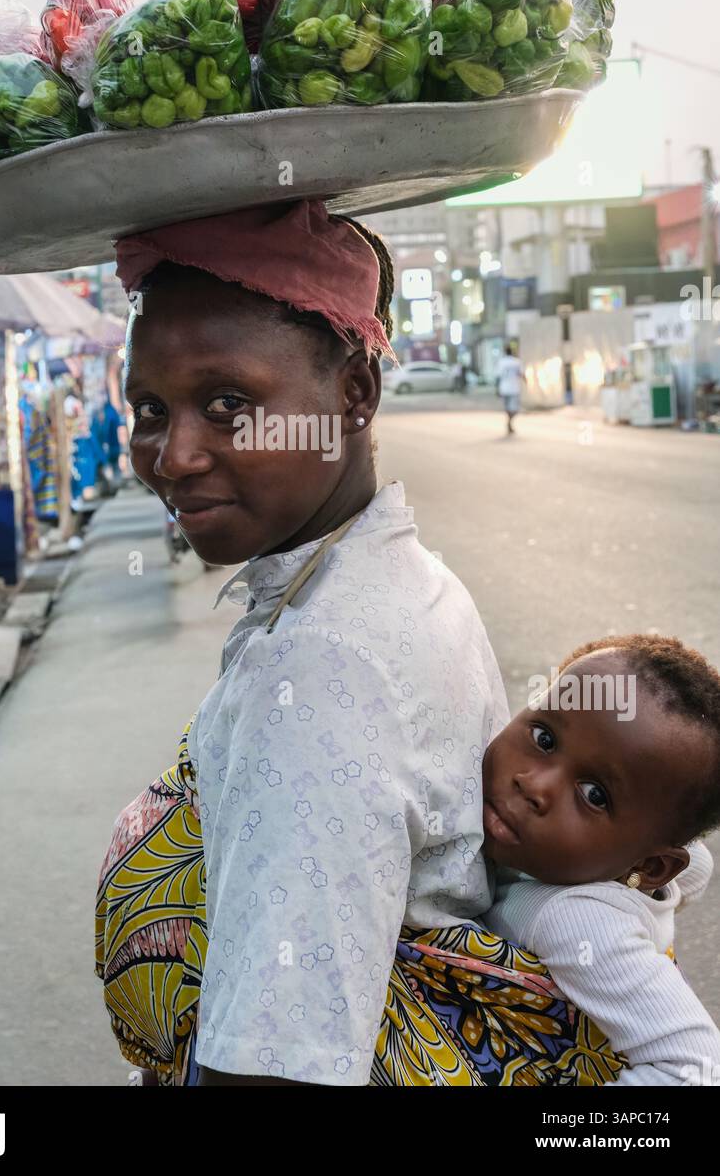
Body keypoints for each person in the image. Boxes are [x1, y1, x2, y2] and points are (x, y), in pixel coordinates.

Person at [95, 201, 625, 1088]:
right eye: (149, 408)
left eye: (230, 404)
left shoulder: (325, 666)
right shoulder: (386, 580)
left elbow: (277, 1067)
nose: (173, 454)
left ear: (354, 396)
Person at [482, 634, 720, 1085]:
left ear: (652, 867)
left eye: (594, 795)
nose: (534, 785)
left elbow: (697, 1070)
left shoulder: (577, 922)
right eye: (544, 737)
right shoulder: (629, 864)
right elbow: (696, 867)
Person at [495, 344, 524, 435]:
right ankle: (510, 422)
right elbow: (521, 374)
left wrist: (497, 389)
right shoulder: (517, 362)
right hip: (514, 388)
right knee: (514, 409)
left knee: (508, 408)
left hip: (504, 388)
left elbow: (498, 377)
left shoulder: (501, 362)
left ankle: (509, 422)